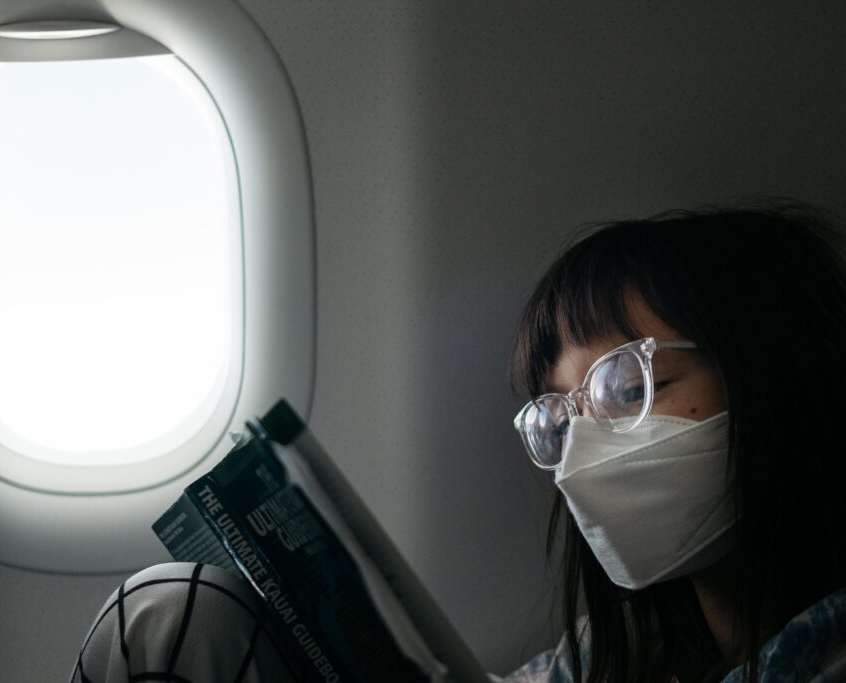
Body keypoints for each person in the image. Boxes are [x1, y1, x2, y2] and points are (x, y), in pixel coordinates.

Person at [71, 202, 846, 683]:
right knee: (174, 610)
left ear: (772, 371)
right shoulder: (619, 650)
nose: (583, 446)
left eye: (623, 386)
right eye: (559, 418)